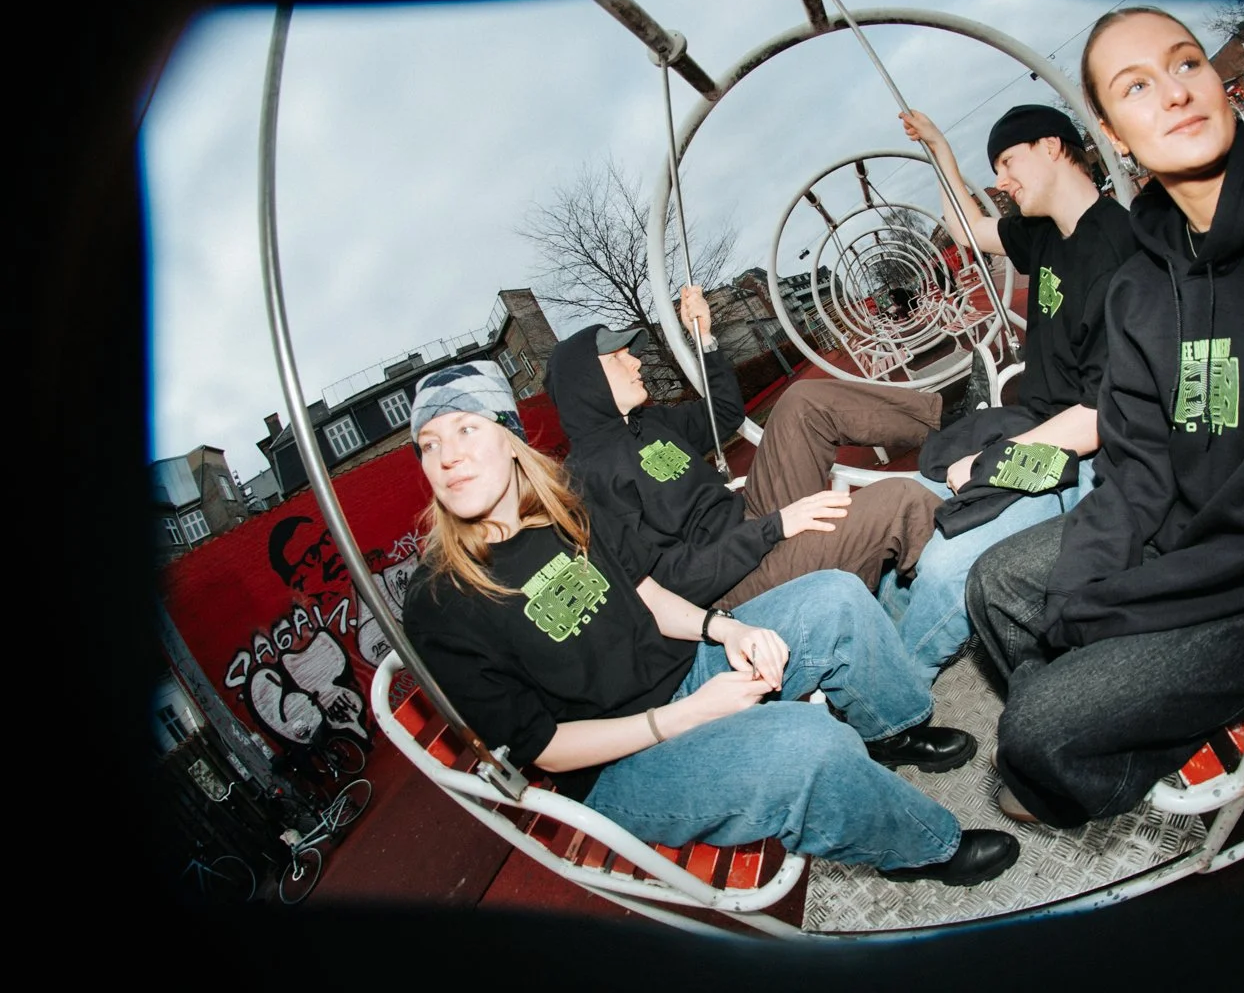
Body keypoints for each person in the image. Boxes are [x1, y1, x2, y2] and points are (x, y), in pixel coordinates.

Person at [965, 6, 1244, 828]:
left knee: (1036, 725)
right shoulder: (1141, 283)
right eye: (1137, 86)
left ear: (1218, 80)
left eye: (1186, 64)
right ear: (1113, 133)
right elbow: (1133, 471)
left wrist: (1115, 608)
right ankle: (1104, 718)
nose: (1174, 92)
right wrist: (1094, 587)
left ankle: (1090, 731)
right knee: (996, 585)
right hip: (1185, 540)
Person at [399, 360, 1019, 886]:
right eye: (429, 443)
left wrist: (726, 630)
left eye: (465, 429)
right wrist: (691, 714)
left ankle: (893, 731)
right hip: (618, 768)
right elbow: (546, 752)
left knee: (834, 598)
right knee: (808, 744)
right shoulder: (439, 602)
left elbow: (646, 595)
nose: (448, 456)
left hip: (687, 673)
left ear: (508, 436)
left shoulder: (566, 511)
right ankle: (921, 848)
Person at [878, 103, 1139, 680]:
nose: (1000, 179)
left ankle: (890, 689)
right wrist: (939, 147)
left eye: (1007, 160)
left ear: (1051, 147)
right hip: (1033, 425)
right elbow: (971, 229)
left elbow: (1097, 419)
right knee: (901, 509)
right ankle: (874, 644)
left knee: (947, 564)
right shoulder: (1047, 233)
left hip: (1083, 459)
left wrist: (991, 465)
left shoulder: (1119, 251)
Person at [545, 285, 966, 610]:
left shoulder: (649, 424)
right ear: (586, 382)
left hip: (751, 519)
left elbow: (724, 413)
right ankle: (966, 591)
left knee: (803, 402)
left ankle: (950, 426)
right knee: (898, 500)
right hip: (731, 579)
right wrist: (774, 528)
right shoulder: (589, 478)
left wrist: (705, 339)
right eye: (618, 358)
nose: (636, 362)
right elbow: (672, 580)